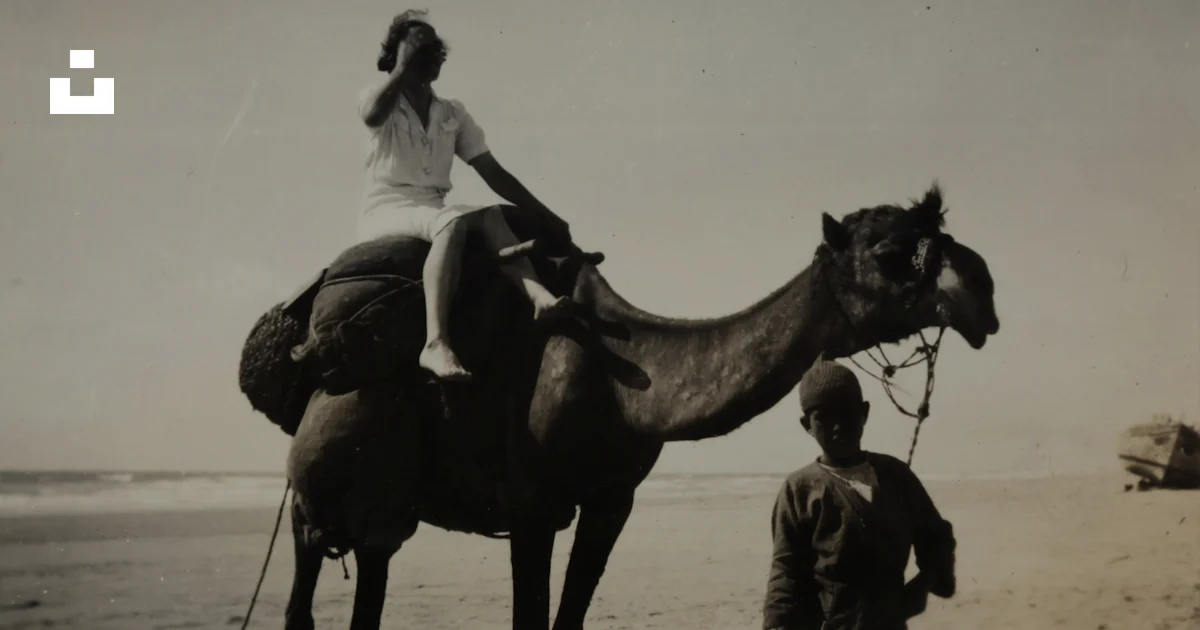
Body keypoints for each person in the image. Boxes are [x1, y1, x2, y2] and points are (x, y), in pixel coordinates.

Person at [356, 9, 574, 382]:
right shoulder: (380, 99)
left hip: (431, 210)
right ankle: (435, 343)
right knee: (453, 220)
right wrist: (401, 68)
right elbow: (372, 117)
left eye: (436, 49)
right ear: (400, 56)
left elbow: (492, 172)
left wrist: (546, 214)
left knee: (490, 215)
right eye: (420, 50)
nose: (433, 57)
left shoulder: (451, 111)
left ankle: (537, 295)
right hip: (387, 208)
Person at [762, 358, 957, 630]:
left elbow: (937, 538)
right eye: (824, 416)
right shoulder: (799, 490)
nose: (837, 425)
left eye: (846, 412)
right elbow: (786, 577)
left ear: (864, 413)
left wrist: (924, 584)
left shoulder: (896, 476)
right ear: (806, 424)